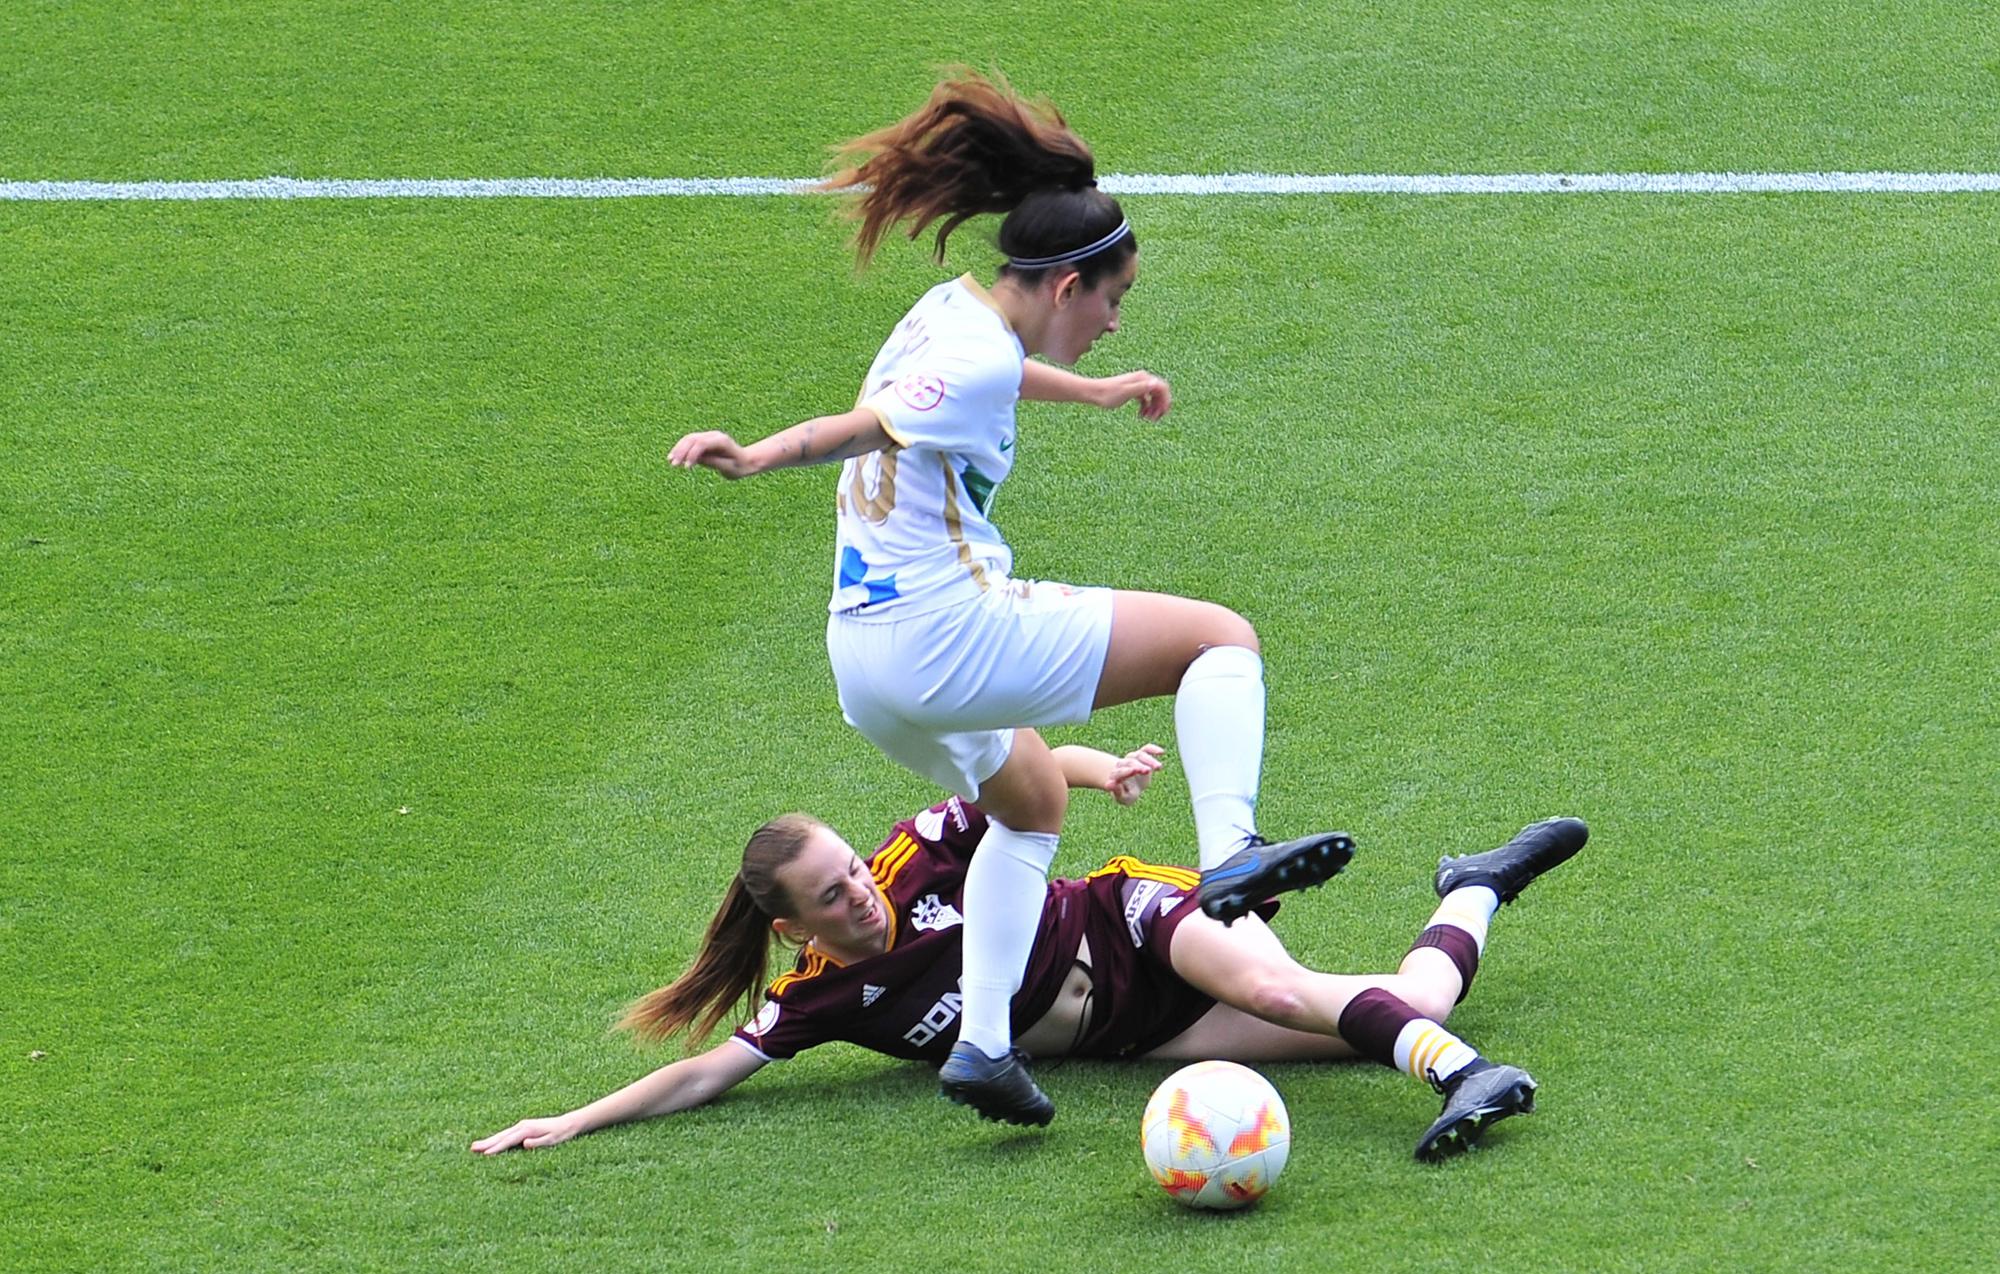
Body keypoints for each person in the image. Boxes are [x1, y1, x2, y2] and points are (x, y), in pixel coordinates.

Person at [667, 70, 1350, 1127]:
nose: (1116, 326)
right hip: (949, 634)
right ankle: (1229, 858)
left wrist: (1095, 391)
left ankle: (983, 1043)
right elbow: (878, 427)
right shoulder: (973, 362)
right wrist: (754, 457)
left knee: (1027, 809)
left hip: (866, 669)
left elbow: (987, 378)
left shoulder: (952, 315)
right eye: (1113, 302)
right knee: (1217, 640)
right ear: (1067, 284)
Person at [471, 743, 1588, 1163]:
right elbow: (707, 1071)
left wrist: (1099, 774)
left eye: (852, 872)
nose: (859, 894)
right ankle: (1478, 887)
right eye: (830, 897)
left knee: (1276, 984)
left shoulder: (916, 850)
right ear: (790, 930)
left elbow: (1022, 776)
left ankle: (1460, 1074)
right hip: (1134, 1034)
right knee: (1381, 1004)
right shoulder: (822, 997)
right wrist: (571, 1120)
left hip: (1122, 919)